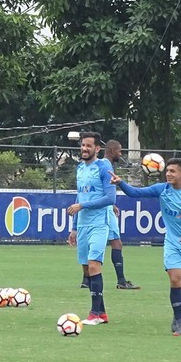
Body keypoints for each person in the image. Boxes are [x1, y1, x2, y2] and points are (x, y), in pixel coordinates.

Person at [111, 158, 181, 336]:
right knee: (175, 278)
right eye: (167, 170)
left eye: (173, 171)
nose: (168, 174)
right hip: (172, 242)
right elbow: (135, 193)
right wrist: (120, 183)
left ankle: (177, 314)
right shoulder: (162, 189)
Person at [65, 132, 116, 325]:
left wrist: (83, 206)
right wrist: (74, 228)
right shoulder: (80, 168)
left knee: (95, 264)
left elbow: (110, 199)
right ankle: (101, 313)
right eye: (83, 145)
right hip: (83, 224)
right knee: (87, 269)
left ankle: (95, 314)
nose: (84, 149)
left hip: (99, 223)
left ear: (97, 149)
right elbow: (80, 198)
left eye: (88, 146)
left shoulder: (103, 167)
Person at [101, 140, 140, 289]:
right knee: (116, 243)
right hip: (104, 210)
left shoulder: (101, 164)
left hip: (106, 206)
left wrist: (112, 204)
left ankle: (86, 279)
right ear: (111, 151)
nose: (121, 154)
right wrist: (109, 204)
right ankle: (121, 281)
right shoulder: (106, 165)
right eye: (119, 151)